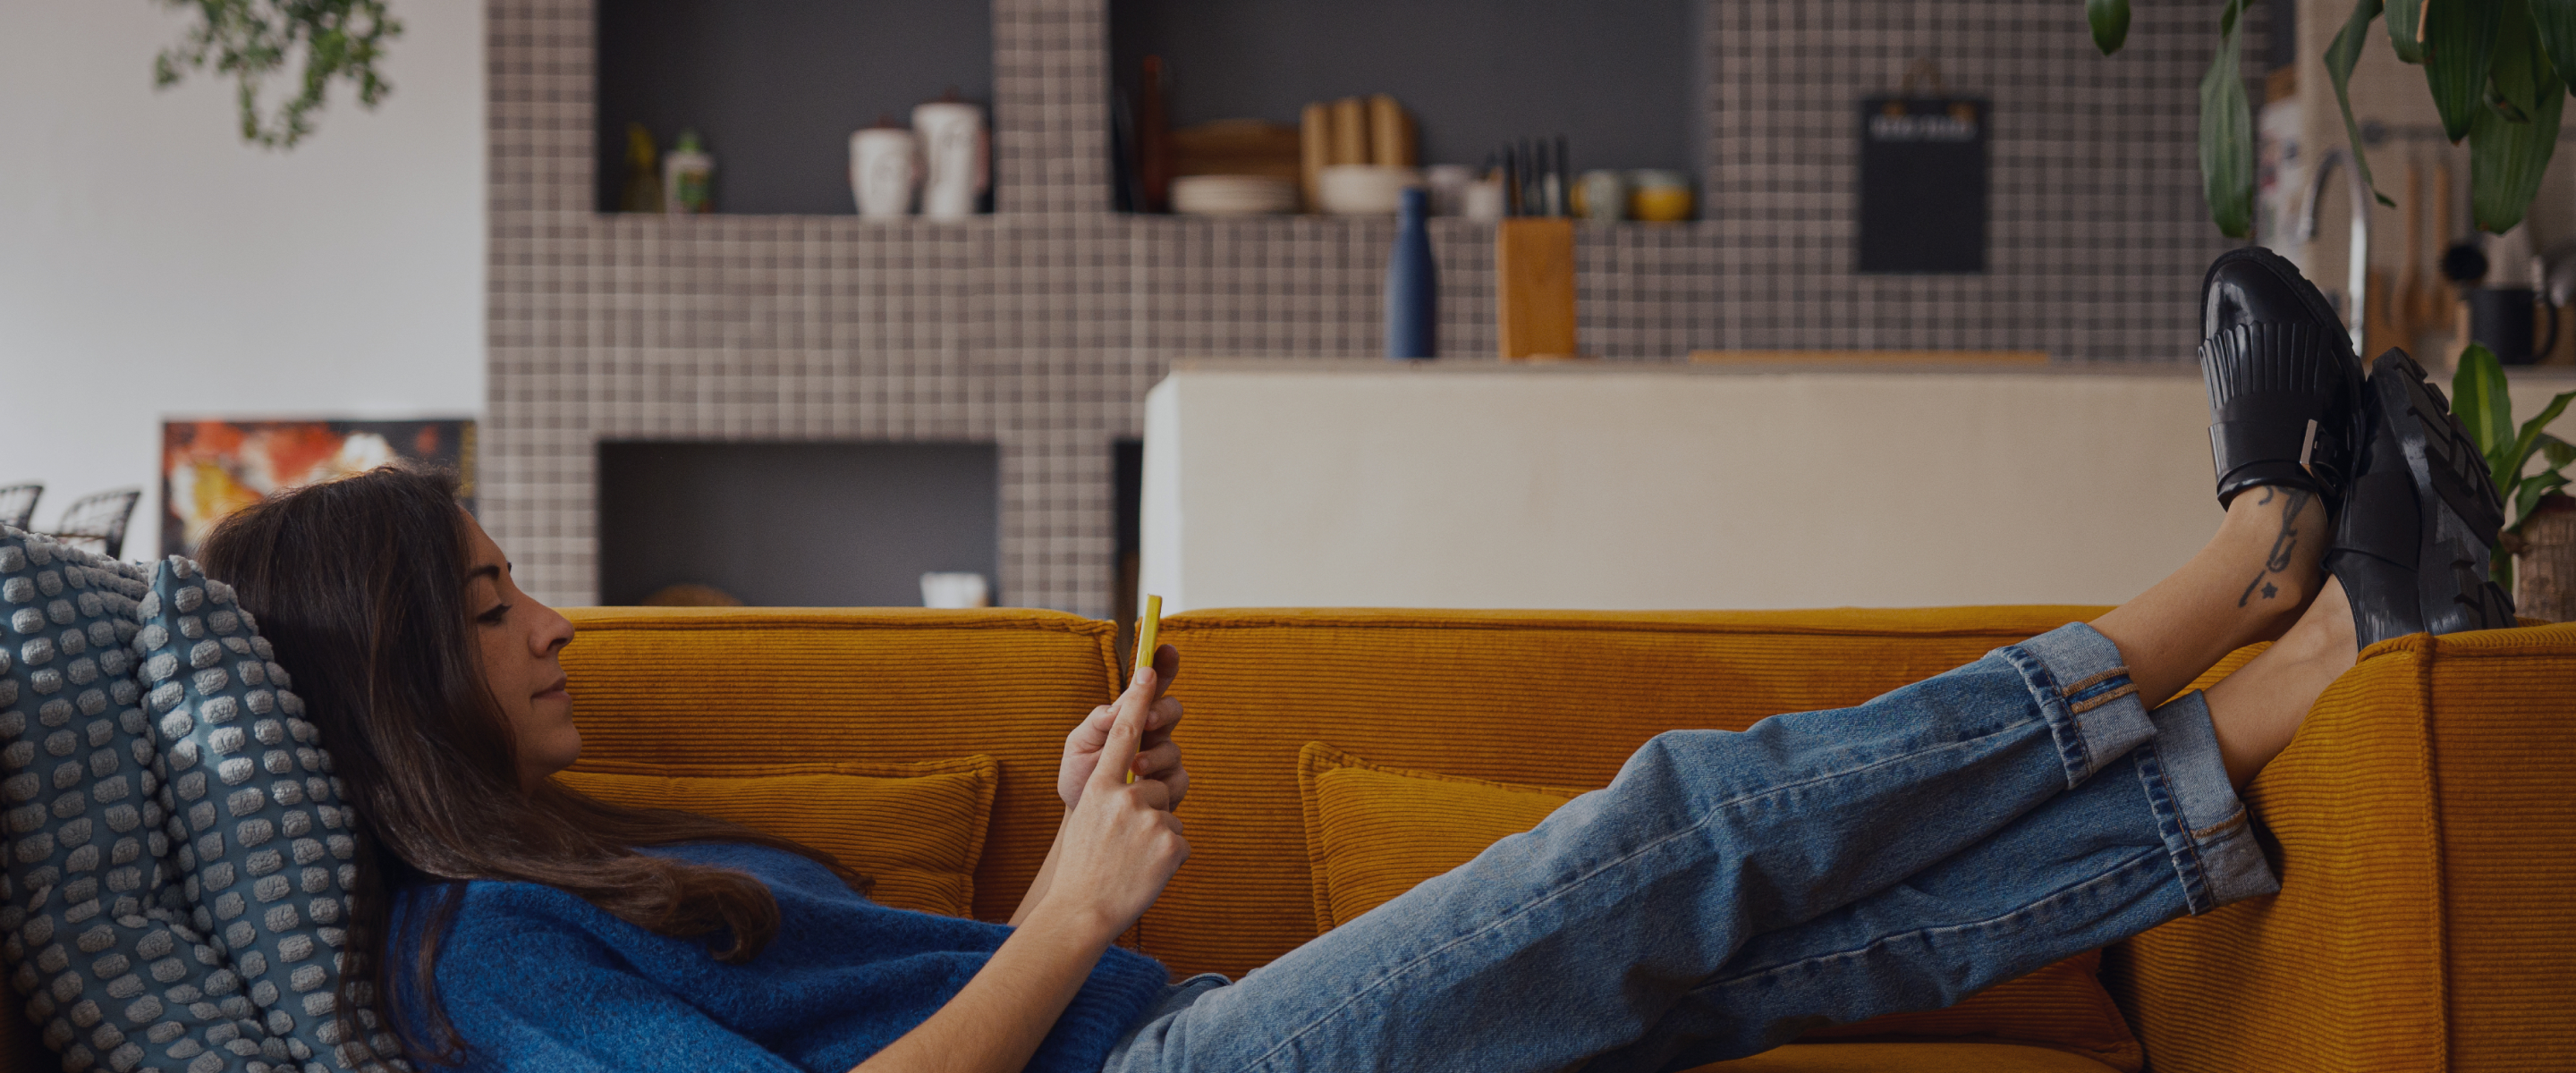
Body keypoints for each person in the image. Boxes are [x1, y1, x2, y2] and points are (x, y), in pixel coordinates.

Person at [195, 249, 2512, 1073]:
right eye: (499, 605)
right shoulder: (472, 959)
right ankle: (2252, 547)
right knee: (1677, 832)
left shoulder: (545, 883)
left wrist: (1057, 889)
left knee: (1763, 966)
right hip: (1158, 1067)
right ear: (402, 667)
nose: (556, 620)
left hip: (1162, 1044)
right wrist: (1078, 915)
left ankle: (2301, 689)